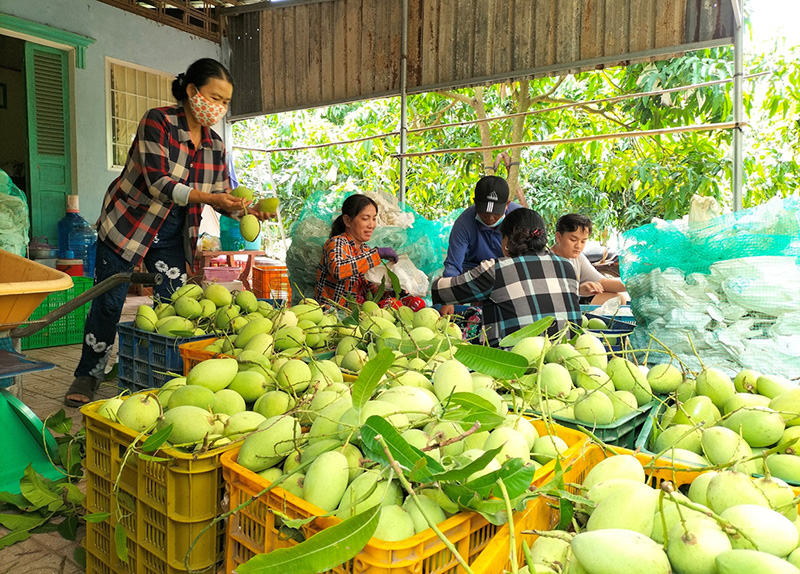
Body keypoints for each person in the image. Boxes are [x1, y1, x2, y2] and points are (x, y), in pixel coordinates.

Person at [65, 58, 271, 407]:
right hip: (129, 222)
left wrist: (246, 210)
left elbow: (224, 197)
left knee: (173, 304)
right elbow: (158, 182)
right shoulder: (157, 122)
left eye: (225, 102)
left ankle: (161, 374)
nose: (219, 108)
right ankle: (88, 375)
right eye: (214, 97)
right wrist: (208, 196)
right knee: (109, 302)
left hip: (174, 229)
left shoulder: (216, 146)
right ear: (192, 91)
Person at [432, 208, 582, 347]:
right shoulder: (568, 267)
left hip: (513, 367)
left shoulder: (496, 270)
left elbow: (441, 291)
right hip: (565, 359)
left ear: (506, 242)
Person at [440, 175, 521, 315]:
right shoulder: (464, 223)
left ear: (507, 204)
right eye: (484, 213)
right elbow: (453, 265)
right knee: (473, 313)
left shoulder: (520, 219)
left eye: (496, 214)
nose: (490, 218)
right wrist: (448, 299)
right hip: (473, 271)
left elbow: (530, 260)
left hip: (509, 270)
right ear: (474, 203)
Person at [315, 194, 398, 307]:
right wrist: (377, 254)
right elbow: (339, 269)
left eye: (374, 219)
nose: (372, 225)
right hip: (331, 313)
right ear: (347, 221)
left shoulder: (365, 250)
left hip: (356, 313)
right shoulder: (337, 243)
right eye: (365, 219)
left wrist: (393, 293)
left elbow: (369, 287)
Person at [550, 214, 627, 305]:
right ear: (558, 237)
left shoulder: (578, 258)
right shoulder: (545, 261)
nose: (578, 246)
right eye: (573, 240)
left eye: (583, 241)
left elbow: (603, 282)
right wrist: (578, 290)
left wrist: (637, 284)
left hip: (574, 306)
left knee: (618, 298)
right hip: (554, 309)